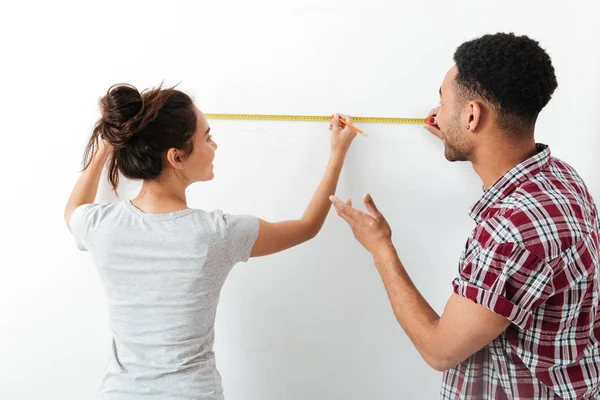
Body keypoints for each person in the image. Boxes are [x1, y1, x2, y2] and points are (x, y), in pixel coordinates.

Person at [330, 32, 600, 399]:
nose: (436, 113)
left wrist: (381, 248)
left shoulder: (513, 231)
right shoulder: (561, 178)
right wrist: (454, 134)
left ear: (472, 115)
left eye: (443, 101)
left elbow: (439, 350)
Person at [64, 83, 357, 399]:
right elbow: (307, 226)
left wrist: (106, 147)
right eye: (207, 137)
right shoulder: (216, 234)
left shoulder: (101, 226)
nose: (214, 146)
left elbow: (72, 211)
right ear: (176, 157)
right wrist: (337, 154)